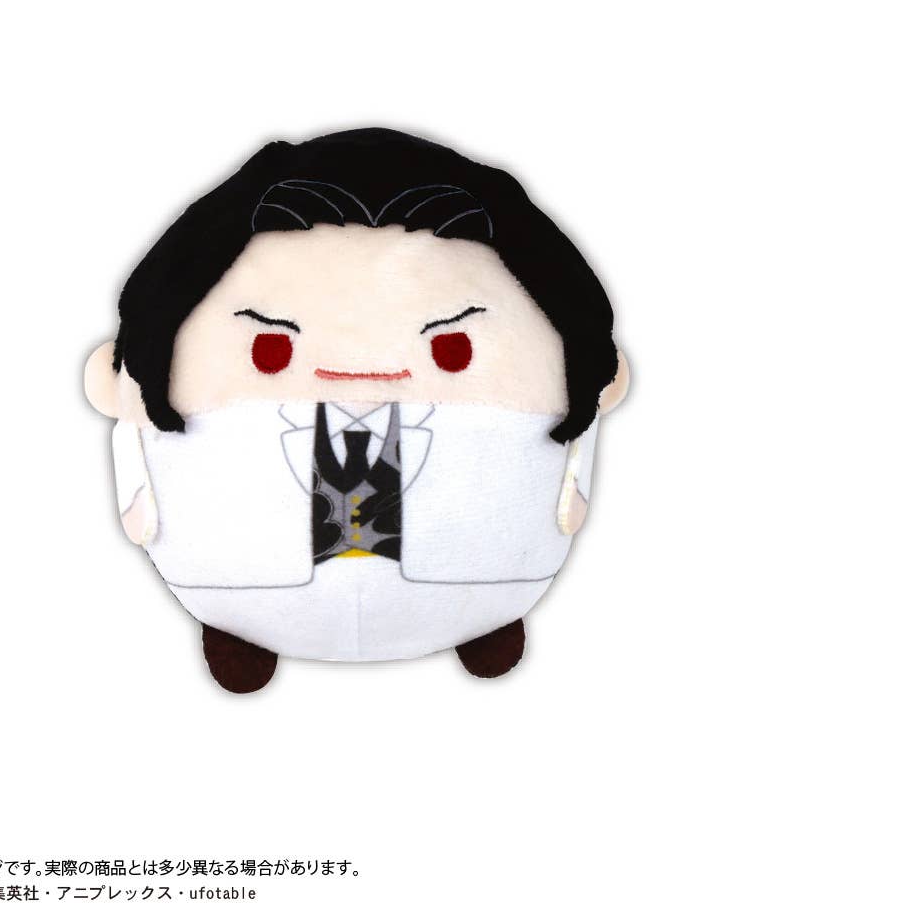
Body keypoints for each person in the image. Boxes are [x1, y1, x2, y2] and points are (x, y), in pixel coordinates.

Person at [84, 128, 629, 692]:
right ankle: (245, 629)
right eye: (271, 349)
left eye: (453, 348)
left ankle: (482, 619)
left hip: (472, 580)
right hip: (259, 582)